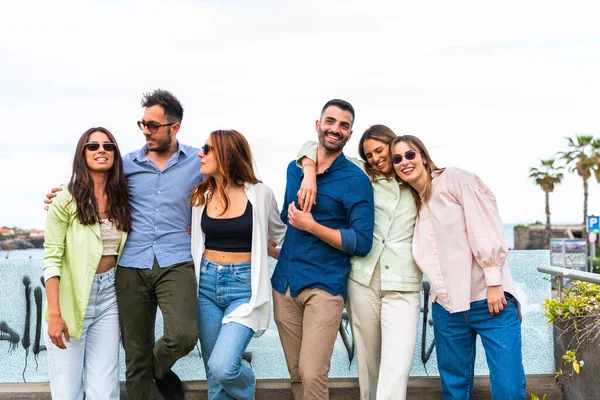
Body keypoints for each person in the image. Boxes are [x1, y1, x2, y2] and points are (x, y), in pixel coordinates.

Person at [45, 89, 203, 400]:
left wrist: (307, 166)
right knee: (133, 353)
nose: (146, 131)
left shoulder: (197, 162)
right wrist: (60, 192)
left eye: (154, 126)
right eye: (142, 124)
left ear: (175, 127)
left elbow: (233, 181)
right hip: (130, 265)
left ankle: (155, 367)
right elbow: (91, 182)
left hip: (176, 260)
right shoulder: (126, 164)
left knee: (184, 335)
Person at [391, 135, 526, 400]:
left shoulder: (454, 179)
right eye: (397, 158)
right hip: (447, 309)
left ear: (424, 156)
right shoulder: (412, 203)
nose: (404, 162)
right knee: (454, 390)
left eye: (410, 154)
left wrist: (494, 281)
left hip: (489, 300)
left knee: (508, 389)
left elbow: (484, 224)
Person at [296, 124, 421, 400]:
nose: (375, 158)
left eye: (380, 150)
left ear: (393, 144)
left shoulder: (416, 177)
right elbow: (312, 148)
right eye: (369, 154)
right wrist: (308, 173)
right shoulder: (362, 173)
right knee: (368, 363)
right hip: (362, 279)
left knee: (396, 364)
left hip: (403, 281)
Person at [271, 99, 375, 400]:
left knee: (313, 372)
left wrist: (312, 225)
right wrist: (308, 170)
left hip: (325, 287)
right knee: (296, 374)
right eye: (330, 121)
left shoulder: (356, 181)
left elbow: (362, 242)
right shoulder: (296, 168)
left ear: (350, 133)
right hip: (285, 283)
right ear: (318, 125)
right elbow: (285, 220)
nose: (335, 129)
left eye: (343, 125)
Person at [190, 129, 286, 400]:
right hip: (206, 285)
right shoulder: (201, 196)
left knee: (223, 367)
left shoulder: (260, 194)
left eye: (207, 149)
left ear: (226, 154)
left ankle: (248, 379)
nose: (201, 153)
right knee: (214, 375)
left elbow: (283, 237)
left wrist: (275, 255)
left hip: (244, 288)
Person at [43, 127, 131, 399]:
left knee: (105, 391)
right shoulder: (64, 199)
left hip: (109, 298)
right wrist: (55, 314)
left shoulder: (123, 198)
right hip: (71, 299)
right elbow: (52, 257)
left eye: (108, 146)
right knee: (67, 391)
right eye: (93, 146)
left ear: (115, 154)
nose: (101, 150)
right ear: (82, 154)